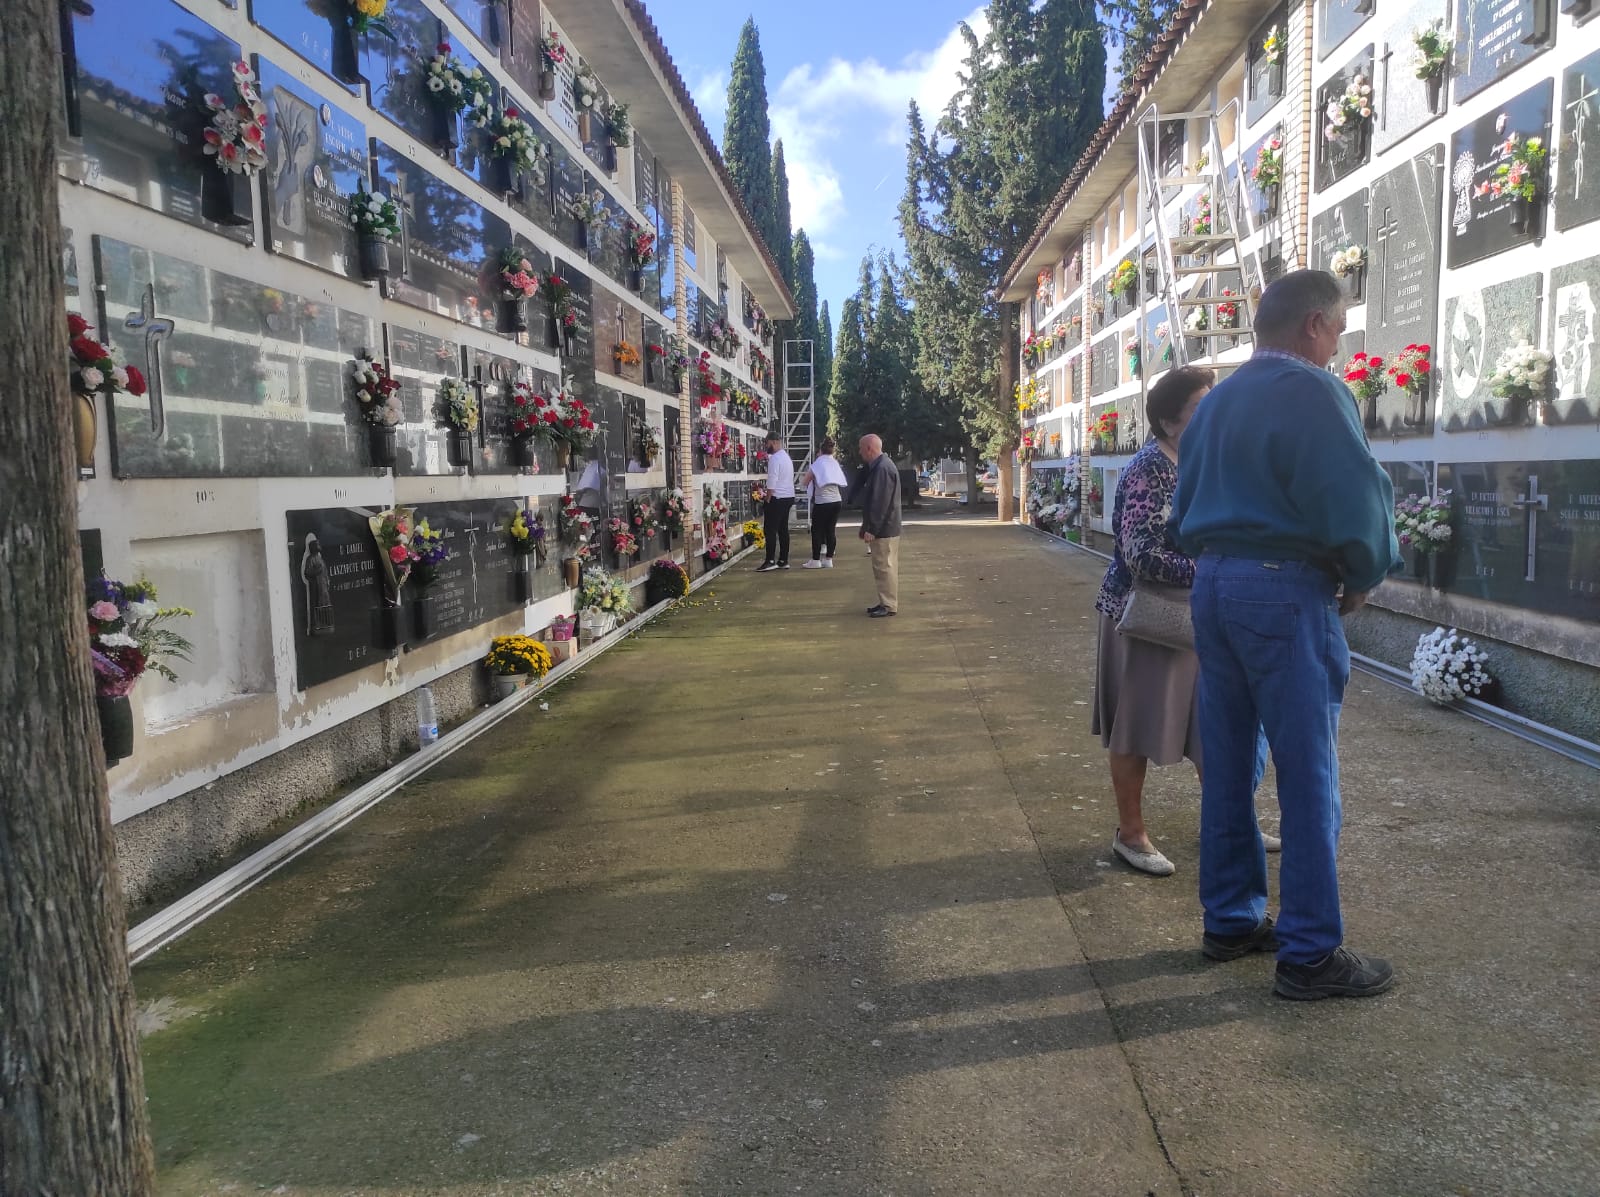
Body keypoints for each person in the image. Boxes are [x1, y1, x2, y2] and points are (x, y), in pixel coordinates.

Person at [1172, 269, 1402, 1001]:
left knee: (1231, 761)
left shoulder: (1214, 403)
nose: (1337, 345)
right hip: (1283, 590)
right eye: (1337, 330)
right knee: (1309, 775)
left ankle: (1231, 918)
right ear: (1312, 325)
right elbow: (1354, 493)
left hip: (1212, 584)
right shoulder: (1315, 390)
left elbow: (1182, 508)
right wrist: (1362, 573)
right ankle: (1308, 951)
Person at [1092, 368, 1279, 877]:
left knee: (1213, 728)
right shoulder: (1149, 469)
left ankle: (1233, 819)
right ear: (1169, 420)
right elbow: (1139, 553)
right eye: (1201, 405)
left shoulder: (1208, 461)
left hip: (1200, 618)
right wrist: (1216, 569)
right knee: (1134, 729)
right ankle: (1130, 834)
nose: (1213, 413)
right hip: (1146, 619)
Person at [856, 434, 901, 617]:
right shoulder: (882, 466)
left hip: (884, 528)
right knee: (884, 566)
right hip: (887, 526)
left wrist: (871, 528)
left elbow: (879, 502)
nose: (859, 453)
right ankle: (886, 601)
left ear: (869, 448)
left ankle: (889, 604)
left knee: (884, 567)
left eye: (861, 448)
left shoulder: (881, 468)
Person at [799, 436, 848, 568]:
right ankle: (829, 559)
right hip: (837, 501)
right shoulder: (835, 463)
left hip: (822, 502)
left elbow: (805, 482)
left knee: (817, 530)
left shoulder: (817, 464)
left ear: (820, 450)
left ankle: (815, 560)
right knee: (830, 530)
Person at [755, 432, 796, 572]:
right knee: (783, 529)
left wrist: (767, 498)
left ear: (774, 442)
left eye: (767, 443)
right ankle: (783, 560)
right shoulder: (786, 457)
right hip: (788, 496)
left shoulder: (775, 459)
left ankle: (770, 560)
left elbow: (772, 481)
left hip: (777, 498)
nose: (766, 446)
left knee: (770, 530)